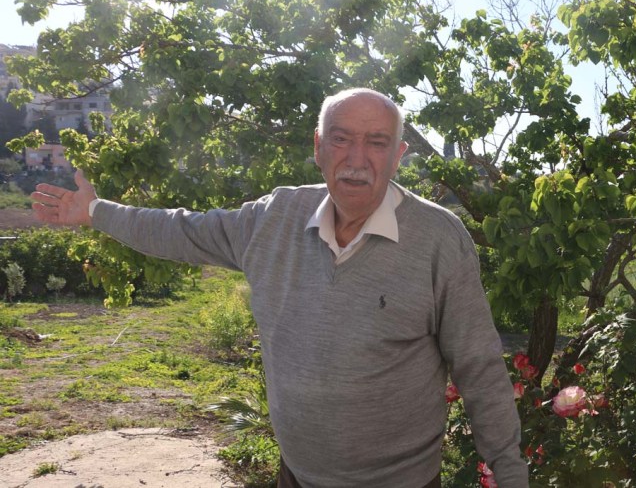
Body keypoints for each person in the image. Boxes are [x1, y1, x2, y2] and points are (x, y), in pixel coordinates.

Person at [31, 87, 528, 488]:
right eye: (341, 139)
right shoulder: (274, 218)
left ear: (398, 154)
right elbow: (181, 229)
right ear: (317, 147)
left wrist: (509, 476)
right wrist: (95, 213)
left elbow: (478, 368)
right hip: (298, 476)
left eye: (376, 143)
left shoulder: (439, 239)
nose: (357, 159)